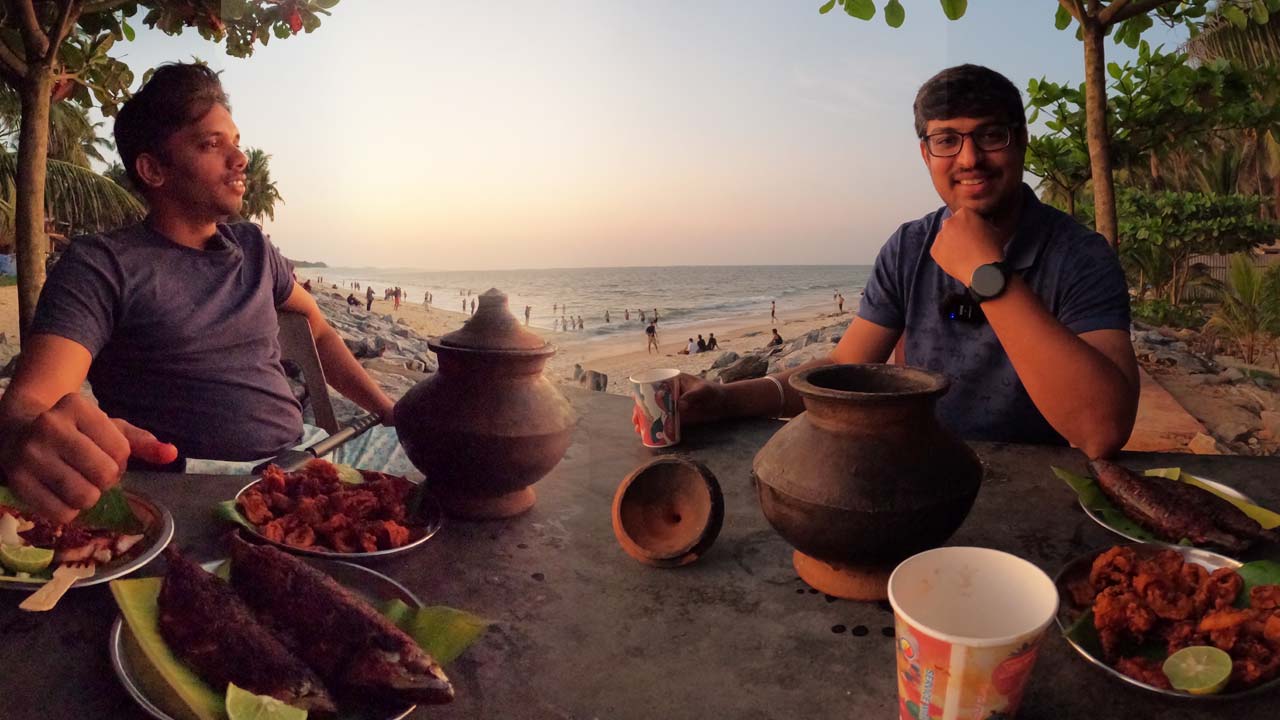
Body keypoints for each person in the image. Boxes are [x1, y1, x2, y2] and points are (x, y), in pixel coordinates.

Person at [662, 64, 1138, 459]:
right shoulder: (910, 247)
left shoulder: (1080, 255)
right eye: (946, 140)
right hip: (916, 475)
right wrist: (726, 398)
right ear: (925, 154)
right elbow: (845, 364)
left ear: (1021, 141)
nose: (970, 158)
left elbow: (1101, 430)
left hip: (1040, 490)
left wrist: (987, 274)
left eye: (990, 135)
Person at [0, 63, 401, 523]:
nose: (239, 158)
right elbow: (29, 404)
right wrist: (21, 442)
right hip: (205, 483)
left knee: (451, 466)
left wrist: (386, 409)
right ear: (153, 169)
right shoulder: (103, 265)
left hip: (311, 453)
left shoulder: (253, 247)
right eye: (211, 144)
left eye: (235, 141)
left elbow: (318, 329)